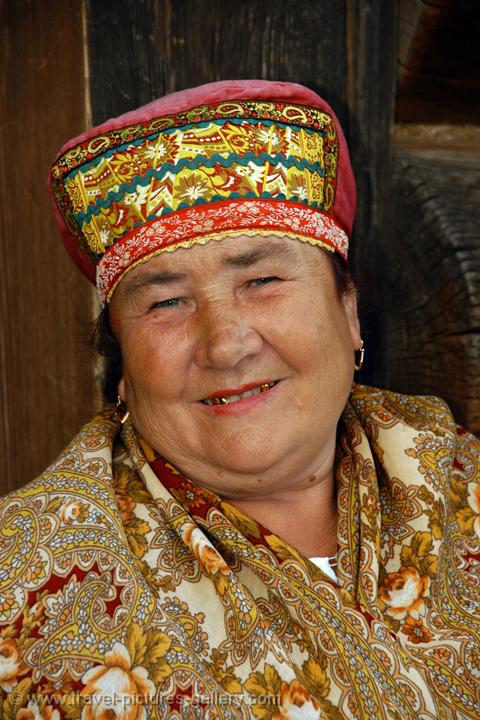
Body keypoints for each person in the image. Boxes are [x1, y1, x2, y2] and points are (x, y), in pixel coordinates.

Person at [0, 79, 479, 720]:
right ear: (121, 363)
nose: (225, 345)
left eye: (262, 279)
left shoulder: (461, 483)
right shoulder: (27, 584)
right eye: (165, 302)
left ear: (350, 312)